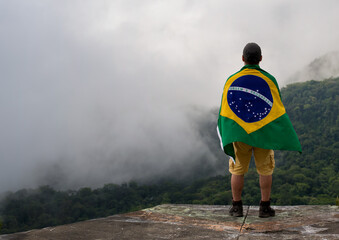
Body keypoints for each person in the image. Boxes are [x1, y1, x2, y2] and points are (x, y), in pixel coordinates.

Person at [217, 43, 301, 218]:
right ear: (260, 59)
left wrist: (229, 130)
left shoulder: (232, 80)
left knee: (237, 169)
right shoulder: (269, 80)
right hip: (263, 132)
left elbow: (226, 109)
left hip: (240, 133)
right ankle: (264, 207)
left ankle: (236, 207)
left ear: (243, 58)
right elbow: (276, 108)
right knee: (265, 169)